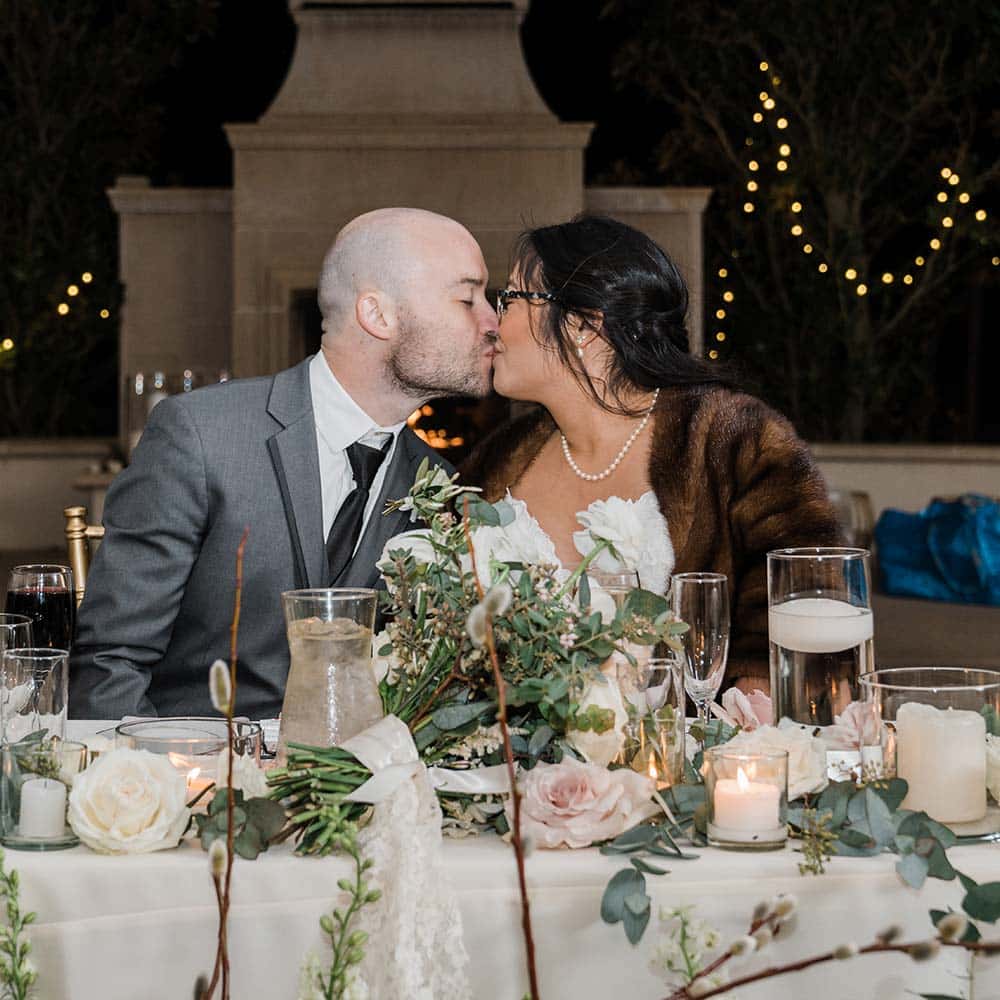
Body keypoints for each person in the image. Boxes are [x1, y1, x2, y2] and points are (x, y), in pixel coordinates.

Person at [71, 207, 498, 720]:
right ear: (377, 315)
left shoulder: (440, 485)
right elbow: (111, 666)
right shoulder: (201, 436)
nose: (492, 323)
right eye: (468, 298)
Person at [461, 214, 841, 691]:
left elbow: (813, 596)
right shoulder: (495, 462)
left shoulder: (733, 442)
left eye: (512, 298)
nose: (494, 322)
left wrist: (748, 709)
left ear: (583, 325)